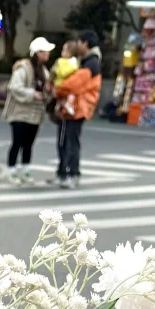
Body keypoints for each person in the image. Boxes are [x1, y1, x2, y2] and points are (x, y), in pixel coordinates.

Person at [52, 29, 102, 189]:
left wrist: (58, 89)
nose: (77, 45)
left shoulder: (91, 63)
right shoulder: (86, 61)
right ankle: (63, 173)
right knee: (65, 141)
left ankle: (72, 174)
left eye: (79, 42)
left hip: (76, 109)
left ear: (85, 43)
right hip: (75, 107)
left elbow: (73, 84)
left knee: (70, 142)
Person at [2, 37, 54, 181]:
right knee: (17, 142)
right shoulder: (24, 68)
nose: (48, 54)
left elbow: (47, 91)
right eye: (45, 51)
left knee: (29, 144)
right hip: (20, 112)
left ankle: (25, 169)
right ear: (38, 53)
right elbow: (14, 87)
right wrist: (32, 94)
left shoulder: (44, 71)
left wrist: (48, 92)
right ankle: (11, 170)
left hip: (36, 113)